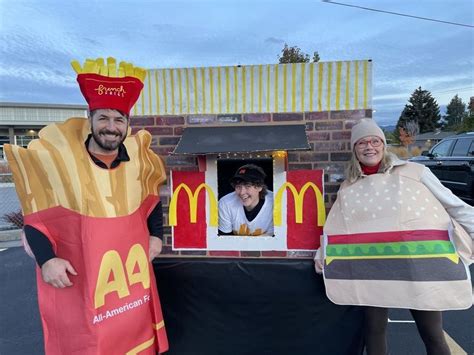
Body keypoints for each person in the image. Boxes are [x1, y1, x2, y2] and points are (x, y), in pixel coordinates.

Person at [5, 57, 169, 354]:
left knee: (135, 342)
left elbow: (151, 199)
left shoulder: (141, 161)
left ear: (127, 125)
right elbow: (36, 218)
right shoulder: (60, 163)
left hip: (128, 285)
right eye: (103, 118)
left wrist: (156, 235)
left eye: (119, 120)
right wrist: (46, 260)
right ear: (90, 119)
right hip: (80, 282)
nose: (111, 127)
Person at [315, 118, 473, 355]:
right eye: (362, 143)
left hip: (419, 268)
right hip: (373, 267)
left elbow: (456, 206)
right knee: (374, 330)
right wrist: (323, 252)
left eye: (375, 141)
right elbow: (337, 226)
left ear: (383, 144)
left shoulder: (416, 172)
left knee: (432, 333)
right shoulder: (349, 185)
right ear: (354, 149)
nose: (370, 147)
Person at [218, 164, 274, 236]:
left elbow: (276, 238)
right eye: (238, 187)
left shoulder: (275, 202)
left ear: (260, 187)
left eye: (248, 186)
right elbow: (224, 239)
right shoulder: (225, 203)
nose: (242, 192)